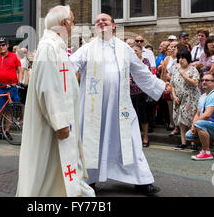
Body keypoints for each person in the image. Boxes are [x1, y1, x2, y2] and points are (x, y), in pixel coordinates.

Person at [70, 13, 170, 195]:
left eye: (105, 20)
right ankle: (88, 181)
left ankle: (142, 181)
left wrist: (161, 86)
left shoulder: (124, 48)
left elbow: (141, 71)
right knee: (91, 142)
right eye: (98, 21)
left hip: (120, 106)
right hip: (94, 109)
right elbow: (70, 66)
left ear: (113, 26)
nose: (101, 23)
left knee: (131, 140)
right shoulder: (87, 48)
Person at [16, 5, 95, 197]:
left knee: (61, 175)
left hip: (62, 123)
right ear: (64, 23)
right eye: (73, 21)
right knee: (48, 176)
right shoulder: (48, 47)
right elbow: (48, 88)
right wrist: (59, 122)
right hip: (53, 127)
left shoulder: (56, 47)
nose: (73, 26)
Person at [171, 49, 200, 151]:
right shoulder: (175, 70)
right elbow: (172, 85)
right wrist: (174, 96)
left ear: (188, 59)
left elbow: (195, 83)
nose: (181, 60)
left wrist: (184, 75)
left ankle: (193, 142)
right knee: (181, 121)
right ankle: (183, 143)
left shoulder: (193, 70)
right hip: (179, 99)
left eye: (183, 58)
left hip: (191, 99)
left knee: (191, 120)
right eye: (179, 58)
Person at [130, 45, 155, 148]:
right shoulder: (129, 62)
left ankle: (145, 138)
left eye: (136, 51)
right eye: (133, 51)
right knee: (132, 117)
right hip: (131, 92)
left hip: (142, 92)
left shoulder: (145, 61)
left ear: (140, 52)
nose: (134, 53)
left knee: (144, 116)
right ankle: (135, 139)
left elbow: (148, 75)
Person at [161, 41, 179, 135]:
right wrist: (164, 83)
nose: (172, 49)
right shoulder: (167, 58)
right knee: (170, 105)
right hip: (168, 84)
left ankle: (180, 125)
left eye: (174, 47)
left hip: (177, 85)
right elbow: (164, 72)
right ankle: (173, 124)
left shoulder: (180, 58)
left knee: (178, 105)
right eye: (171, 47)